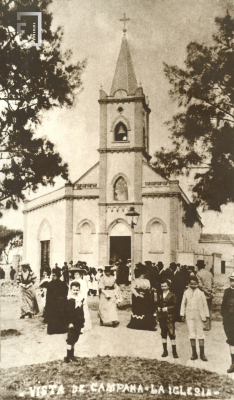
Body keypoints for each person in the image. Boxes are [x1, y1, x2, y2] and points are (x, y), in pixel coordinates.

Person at [180, 275, 209, 361]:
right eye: (191, 284)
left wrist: (206, 316)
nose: (193, 286)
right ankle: (194, 353)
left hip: (199, 316)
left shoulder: (201, 293)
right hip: (189, 315)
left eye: (195, 284)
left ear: (197, 284)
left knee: (200, 334)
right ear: (188, 284)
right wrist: (182, 314)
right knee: (191, 334)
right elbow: (183, 304)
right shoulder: (186, 293)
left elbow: (205, 305)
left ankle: (202, 354)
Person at [127, 264, 156, 331]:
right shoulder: (135, 280)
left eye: (144, 273)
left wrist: (151, 291)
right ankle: (138, 324)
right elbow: (132, 289)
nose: (143, 275)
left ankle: (148, 325)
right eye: (141, 274)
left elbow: (149, 288)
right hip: (138, 298)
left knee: (148, 310)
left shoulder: (147, 280)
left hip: (146, 297)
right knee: (140, 310)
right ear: (139, 274)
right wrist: (138, 295)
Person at [40, 267, 68, 334]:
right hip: (51, 304)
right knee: (52, 317)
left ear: (58, 276)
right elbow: (47, 295)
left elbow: (65, 294)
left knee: (59, 316)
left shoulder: (62, 284)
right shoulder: (50, 284)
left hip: (59, 304)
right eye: (52, 275)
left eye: (54, 276)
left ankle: (61, 330)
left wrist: (62, 301)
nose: (52, 277)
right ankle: (52, 330)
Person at [64, 281, 85, 363]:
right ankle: (68, 357)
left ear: (79, 290)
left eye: (77, 290)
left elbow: (81, 311)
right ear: (71, 290)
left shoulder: (79, 299)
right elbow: (68, 313)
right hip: (72, 323)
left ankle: (72, 355)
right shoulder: (70, 300)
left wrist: (82, 321)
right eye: (74, 290)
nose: (75, 291)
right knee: (70, 339)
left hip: (78, 323)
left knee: (75, 338)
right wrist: (70, 323)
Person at [157, 279, 178, 358]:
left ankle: (174, 351)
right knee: (163, 333)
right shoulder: (159, 295)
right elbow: (157, 303)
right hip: (162, 317)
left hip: (170, 317)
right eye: (162, 286)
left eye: (165, 286)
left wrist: (168, 308)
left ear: (168, 286)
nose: (163, 288)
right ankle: (165, 351)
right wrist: (158, 308)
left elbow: (175, 305)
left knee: (172, 334)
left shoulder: (172, 295)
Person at [221, 272, 234, 373]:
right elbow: (223, 306)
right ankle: (233, 363)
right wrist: (225, 317)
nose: (232, 282)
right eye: (231, 280)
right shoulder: (227, 291)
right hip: (229, 321)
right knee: (231, 341)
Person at [196, 260, 214, 331]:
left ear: (198, 267)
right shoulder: (210, 273)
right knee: (209, 310)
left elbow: (200, 286)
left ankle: (204, 325)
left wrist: (207, 292)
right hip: (210, 294)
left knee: (202, 309)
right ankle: (208, 326)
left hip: (203, 294)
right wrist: (212, 293)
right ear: (204, 266)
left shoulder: (198, 274)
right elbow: (213, 284)